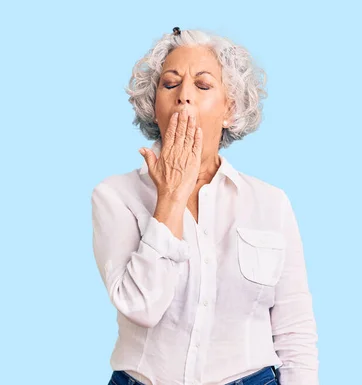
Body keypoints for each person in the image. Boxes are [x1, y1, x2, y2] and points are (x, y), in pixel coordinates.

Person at [91, 27, 319, 385]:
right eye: (170, 84)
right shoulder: (114, 196)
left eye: (203, 85)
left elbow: (294, 330)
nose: (184, 97)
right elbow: (142, 307)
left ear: (230, 107)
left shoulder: (270, 203)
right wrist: (170, 196)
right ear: (153, 104)